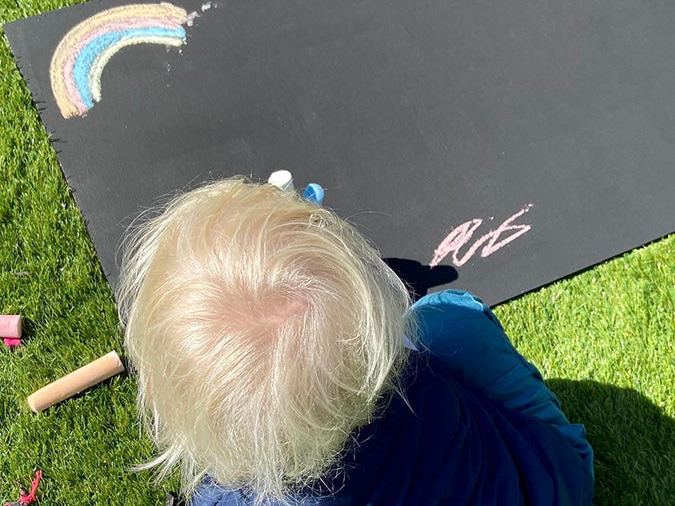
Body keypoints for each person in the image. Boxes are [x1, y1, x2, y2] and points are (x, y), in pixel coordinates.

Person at [117, 177, 594, 506]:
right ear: (374, 342)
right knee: (449, 316)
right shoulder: (415, 371)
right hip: (554, 487)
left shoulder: (230, 497)